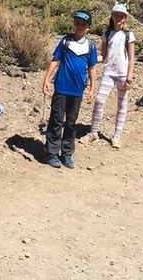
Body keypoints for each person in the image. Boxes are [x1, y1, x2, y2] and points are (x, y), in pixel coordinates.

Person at [42, 10, 100, 168]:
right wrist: (46, 79)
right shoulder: (66, 41)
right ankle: (51, 153)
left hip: (77, 90)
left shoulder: (90, 46)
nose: (79, 26)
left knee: (71, 123)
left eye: (83, 24)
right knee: (56, 120)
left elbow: (92, 68)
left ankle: (67, 153)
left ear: (89, 27)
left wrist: (92, 89)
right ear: (74, 23)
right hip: (61, 88)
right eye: (77, 23)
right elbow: (55, 60)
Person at [83, 3, 136, 148]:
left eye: (121, 15)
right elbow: (104, 55)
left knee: (122, 104)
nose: (119, 17)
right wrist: (90, 59)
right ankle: (93, 133)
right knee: (99, 100)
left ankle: (117, 135)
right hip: (109, 72)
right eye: (116, 14)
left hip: (123, 74)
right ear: (112, 16)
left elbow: (131, 58)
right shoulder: (106, 34)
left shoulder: (128, 35)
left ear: (125, 18)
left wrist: (129, 78)